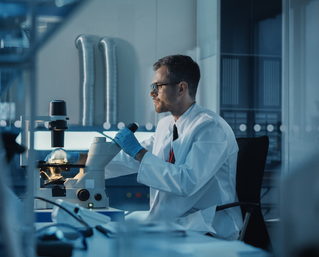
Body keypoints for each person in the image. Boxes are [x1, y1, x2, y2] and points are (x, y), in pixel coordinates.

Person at [102, 55, 241, 239]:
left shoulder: (211, 128)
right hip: (175, 222)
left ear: (181, 88)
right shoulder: (167, 125)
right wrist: (85, 162)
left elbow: (186, 182)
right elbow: (129, 159)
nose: (152, 93)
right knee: (114, 230)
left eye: (158, 87)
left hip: (206, 226)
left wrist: (138, 152)